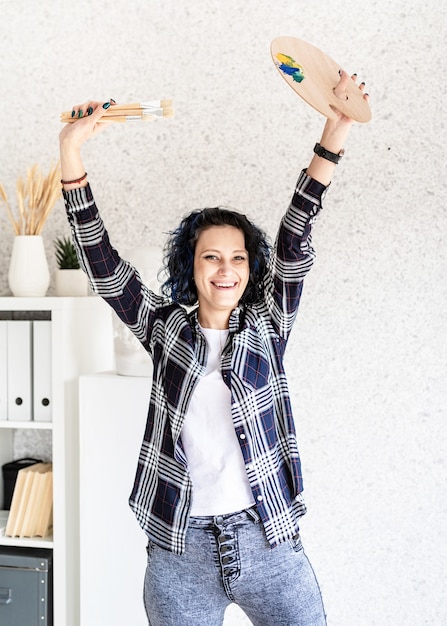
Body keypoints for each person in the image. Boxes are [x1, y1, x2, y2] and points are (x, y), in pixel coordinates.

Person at [60, 71, 368, 626]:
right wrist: (72, 150)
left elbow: (295, 236)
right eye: (210, 256)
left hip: (268, 540)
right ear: (191, 265)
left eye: (238, 258)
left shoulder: (268, 325)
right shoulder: (163, 326)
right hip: (180, 550)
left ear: (251, 270)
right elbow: (101, 263)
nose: (226, 269)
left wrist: (336, 129)